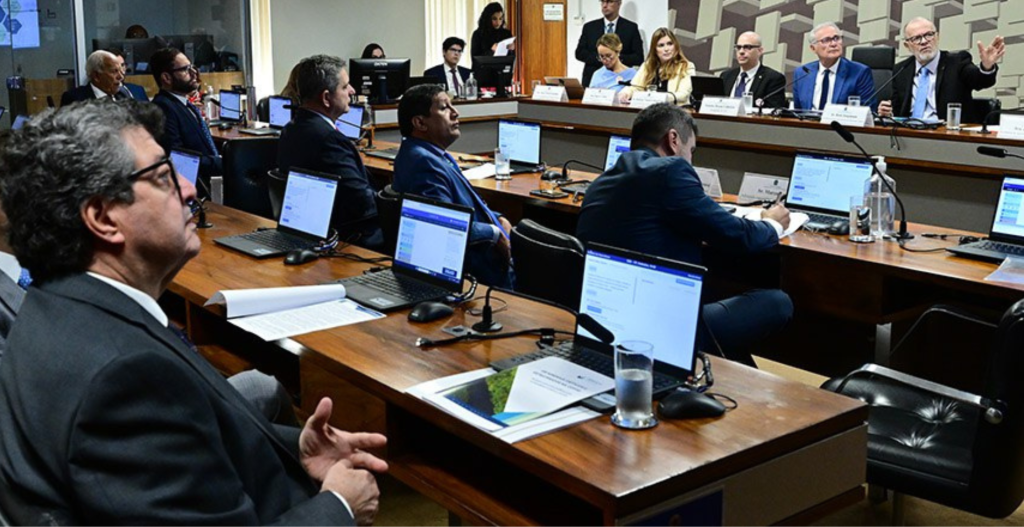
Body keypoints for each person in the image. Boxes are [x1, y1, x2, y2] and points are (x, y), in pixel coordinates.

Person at [0, 99, 386, 524]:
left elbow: (196, 430)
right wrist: (340, 506)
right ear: (103, 218)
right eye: (163, 176)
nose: (188, 188)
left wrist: (297, 447)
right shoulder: (127, 377)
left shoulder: (54, 307)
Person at [576, 103, 793, 367]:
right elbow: (739, 236)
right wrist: (773, 224)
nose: (691, 159)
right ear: (673, 139)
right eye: (691, 151)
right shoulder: (670, 171)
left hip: (602, 327)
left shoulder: (601, 182)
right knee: (778, 302)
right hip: (661, 335)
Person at [392, 85, 514, 288]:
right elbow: (443, 225)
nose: (455, 112)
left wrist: (497, 218)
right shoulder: (423, 162)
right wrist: (494, 232)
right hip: (483, 272)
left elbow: (463, 204)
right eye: (444, 108)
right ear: (420, 123)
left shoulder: (429, 154)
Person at [277, 55, 383, 250]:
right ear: (326, 98)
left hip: (312, 229)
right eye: (345, 87)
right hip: (350, 238)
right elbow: (361, 203)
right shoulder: (329, 139)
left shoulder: (291, 128)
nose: (352, 91)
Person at [878, 17, 1005, 123]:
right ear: (907, 46)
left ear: (937, 36)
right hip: (909, 134)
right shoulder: (901, 69)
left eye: (929, 35)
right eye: (916, 38)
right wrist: (888, 113)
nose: (924, 41)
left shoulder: (957, 62)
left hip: (947, 134)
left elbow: (980, 81)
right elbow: (897, 109)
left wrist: (986, 66)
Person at [149, 47, 222, 182]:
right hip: (195, 184)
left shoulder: (183, 104)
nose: (194, 73)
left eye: (192, 67)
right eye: (185, 70)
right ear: (166, 78)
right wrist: (221, 163)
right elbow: (178, 158)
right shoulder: (163, 108)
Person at [792, 22, 876, 111]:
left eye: (836, 38)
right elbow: (798, 112)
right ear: (813, 48)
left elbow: (868, 111)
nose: (833, 44)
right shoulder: (802, 73)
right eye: (826, 40)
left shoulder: (859, 72)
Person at [575, 0, 644, 87]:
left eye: (609, 2)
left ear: (619, 3)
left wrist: (615, 59)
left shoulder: (630, 28)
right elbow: (580, 53)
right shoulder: (589, 27)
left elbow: (638, 57)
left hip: (621, 81)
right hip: (592, 79)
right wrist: (602, 58)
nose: (604, 5)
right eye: (602, 2)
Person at [619, 28, 695, 105]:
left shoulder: (686, 66)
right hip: (649, 108)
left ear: (676, 46)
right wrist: (626, 93)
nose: (666, 49)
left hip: (674, 109)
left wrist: (657, 97)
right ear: (654, 50)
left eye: (670, 44)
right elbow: (635, 87)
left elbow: (683, 95)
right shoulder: (647, 65)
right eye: (661, 45)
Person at [719, 31, 787, 109]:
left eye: (747, 47)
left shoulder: (773, 78)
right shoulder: (726, 76)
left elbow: (774, 111)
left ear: (760, 51)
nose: (741, 51)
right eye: (738, 47)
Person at [59, 50, 143, 106]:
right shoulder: (75, 99)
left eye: (121, 71)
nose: (120, 77)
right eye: (114, 71)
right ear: (96, 76)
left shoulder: (123, 95)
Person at [471, 2, 515, 70]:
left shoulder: (506, 33)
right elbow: (475, 60)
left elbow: (511, 59)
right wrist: (491, 51)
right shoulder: (478, 34)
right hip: (483, 72)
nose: (498, 22)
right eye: (494, 19)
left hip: (502, 71)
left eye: (500, 18)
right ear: (488, 18)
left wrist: (512, 49)